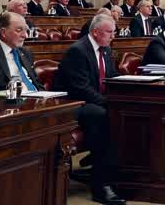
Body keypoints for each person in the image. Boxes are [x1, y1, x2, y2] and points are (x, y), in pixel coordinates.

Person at [54, 14, 124, 205]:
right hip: (72, 103)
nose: (113, 36)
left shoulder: (106, 50)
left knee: (124, 112)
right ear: (95, 31)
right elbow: (80, 88)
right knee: (102, 114)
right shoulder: (78, 51)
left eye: (114, 32)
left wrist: (125, 92)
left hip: (92, 101)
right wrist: (109, 103)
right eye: (109, 32)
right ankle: (101, 185)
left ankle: (116, 174)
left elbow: (111, 77)